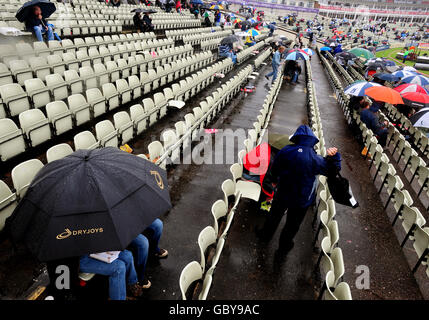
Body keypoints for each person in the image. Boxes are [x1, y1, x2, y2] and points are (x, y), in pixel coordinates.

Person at [257, 125, 341, 253]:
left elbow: (275, 170)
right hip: (302, 199)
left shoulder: (285, 150)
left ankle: (265, 236)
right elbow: (332, 171)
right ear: (311, 140)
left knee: (274, 216)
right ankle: (283, 247)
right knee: (292, 225)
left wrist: (276, 180)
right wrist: (335, 157)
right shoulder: (315, 159)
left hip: (283, 193)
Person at [128, 219, 168, 289]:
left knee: (158, 224)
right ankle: (139, 276)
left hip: (132, 217)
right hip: (123, 228)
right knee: (143, 243)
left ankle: (153, 250)